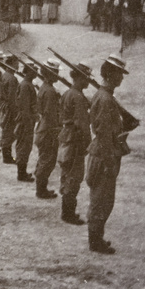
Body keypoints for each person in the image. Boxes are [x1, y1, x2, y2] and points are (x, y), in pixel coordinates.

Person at [86, 54, 130, 254]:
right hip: (104, 155)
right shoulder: (105, 99)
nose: (121, 77)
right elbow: (103, 134)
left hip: (106, 153)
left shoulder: (106, 96)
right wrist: (109, 161)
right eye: (119, 73)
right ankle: (95, 241)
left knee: (105, 199)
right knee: (100, 200)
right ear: (110, 74)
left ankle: (97, 237)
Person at [58, 62, 92, 225]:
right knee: (74, 176)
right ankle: (68, 213)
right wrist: (88, 144)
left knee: (67, 173)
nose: (88, 81)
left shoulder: (68, 93)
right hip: (75, 140)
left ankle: (67, 210)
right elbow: (83, 124)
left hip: (67, 137)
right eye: (86, 78)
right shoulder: (77, 97)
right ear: (78, 77)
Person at [34, 59, 61, 198]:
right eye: (55, 72)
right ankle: (41, 190)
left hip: (43, 128)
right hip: (48, 130)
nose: (57, 75)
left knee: (44, 159)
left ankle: (41, 188)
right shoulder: (50, 91)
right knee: (47, 160)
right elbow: (51, 114)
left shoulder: (45, 87)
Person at [15, 61, 38, 182]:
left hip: (27, 121)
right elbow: (24, 107)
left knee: (25, 146)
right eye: (34, 70)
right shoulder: (25, 85)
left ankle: (22, 172)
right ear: (28, 72)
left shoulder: (28, 84)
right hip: (25, 122)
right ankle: (21, 174)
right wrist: (28, 123)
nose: (37, 72)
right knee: (23, 146)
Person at [0, 55, 20, 163]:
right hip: (9, 108)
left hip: (4, 106)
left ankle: (6, 155)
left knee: (6, 130)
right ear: (12, 64)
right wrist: (15, 112)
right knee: (9, 131)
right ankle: (7, 156)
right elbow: (12, 98)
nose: (18, 65)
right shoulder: (12, 78)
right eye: (17, 63)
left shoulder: (5, 75)